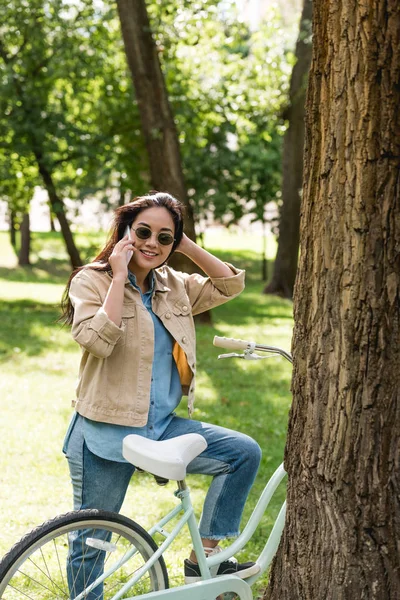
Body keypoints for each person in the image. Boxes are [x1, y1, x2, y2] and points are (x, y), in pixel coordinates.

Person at [61, 191, 261, 596]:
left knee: (242, 453)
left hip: (162, 426)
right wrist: (119, 276)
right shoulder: (92, 280)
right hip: (105, 431)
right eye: (144, 232)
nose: (152, 243)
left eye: (164, 237)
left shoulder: (176, 285)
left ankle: (204, 560)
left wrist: (183, 242)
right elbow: (96, 340)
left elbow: (229, 284)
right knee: (92, 540)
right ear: (125, 233)